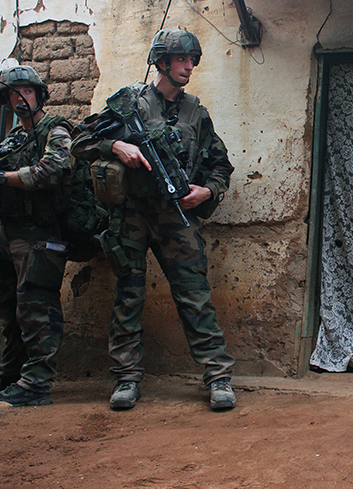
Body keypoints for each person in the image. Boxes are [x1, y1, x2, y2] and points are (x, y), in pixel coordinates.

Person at [71, 28, 236, 411]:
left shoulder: (196, 112)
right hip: (130, 214)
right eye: (181, 59)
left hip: (176, 216)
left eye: (192, 59)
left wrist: (207, 192)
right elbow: (78, 141)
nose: (189, 66)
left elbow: (220, 165)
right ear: (161, 61)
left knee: (195, 296)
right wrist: (115, 145)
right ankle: (126, 378)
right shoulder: (130, 103)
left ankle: (218, 376)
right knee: (128, 294)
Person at [0, 65, 73, 406]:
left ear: (39, 94)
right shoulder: (14, 137)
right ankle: (11, 374)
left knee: (36, 306)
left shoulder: (54, 129)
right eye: (14, 94)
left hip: (39, 234)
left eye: (27, 92)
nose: (20, 99)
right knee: (7, 306)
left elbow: (52, 171)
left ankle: (37, 384)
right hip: (6, 231)